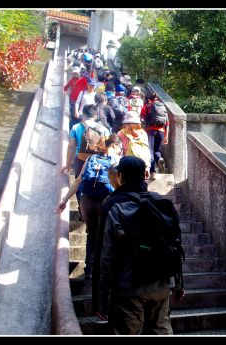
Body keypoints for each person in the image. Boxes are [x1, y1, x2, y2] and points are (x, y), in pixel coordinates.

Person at [97, 156, 185, 335]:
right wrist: (179, 284)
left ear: (120, 176)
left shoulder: (113, 205)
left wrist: (101, 298)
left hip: (128, 286)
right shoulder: (159, 201)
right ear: (145, 175)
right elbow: (175, 243)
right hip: (160, 284)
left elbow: (106, 255)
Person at [55, 136, 117, 279]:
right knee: (105, 235)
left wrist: (64, 200)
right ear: (114, 145)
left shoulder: (90, 159)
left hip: (87, 200)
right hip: (105, 201)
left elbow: (78, 180)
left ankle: (89, 269)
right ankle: (103, 269)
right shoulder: (116, 159)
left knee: (92, 234)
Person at [61, 104, 111, 219]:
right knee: (98, 182)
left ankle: (82, 210)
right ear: (96, 115)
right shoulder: (103, 129)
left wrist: (68, 164)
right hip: (99, 161)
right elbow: (108, 147)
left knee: (79, 183)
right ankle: (99, 210)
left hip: (81, 159)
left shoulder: (76, 127)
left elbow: (71, 146)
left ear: (83, 115)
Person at [141, 92, 169, 180]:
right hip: (161, 131)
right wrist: (166, 136)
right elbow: (167, 123)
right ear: (156, 98)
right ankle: (159, 159)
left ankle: (152, 173)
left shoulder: (147, 107)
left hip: (150, 132)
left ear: (149, 99)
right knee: (157, 150)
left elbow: (142, 119)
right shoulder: (162, 107)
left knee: (150, 151)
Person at [117, 111, 152, 178]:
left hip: (126, 163)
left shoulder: (120, 133)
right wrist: (147, 166)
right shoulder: (143, 133)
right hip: (141, 163)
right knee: (139, 184)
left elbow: (118, 151)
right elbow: (146, 150)